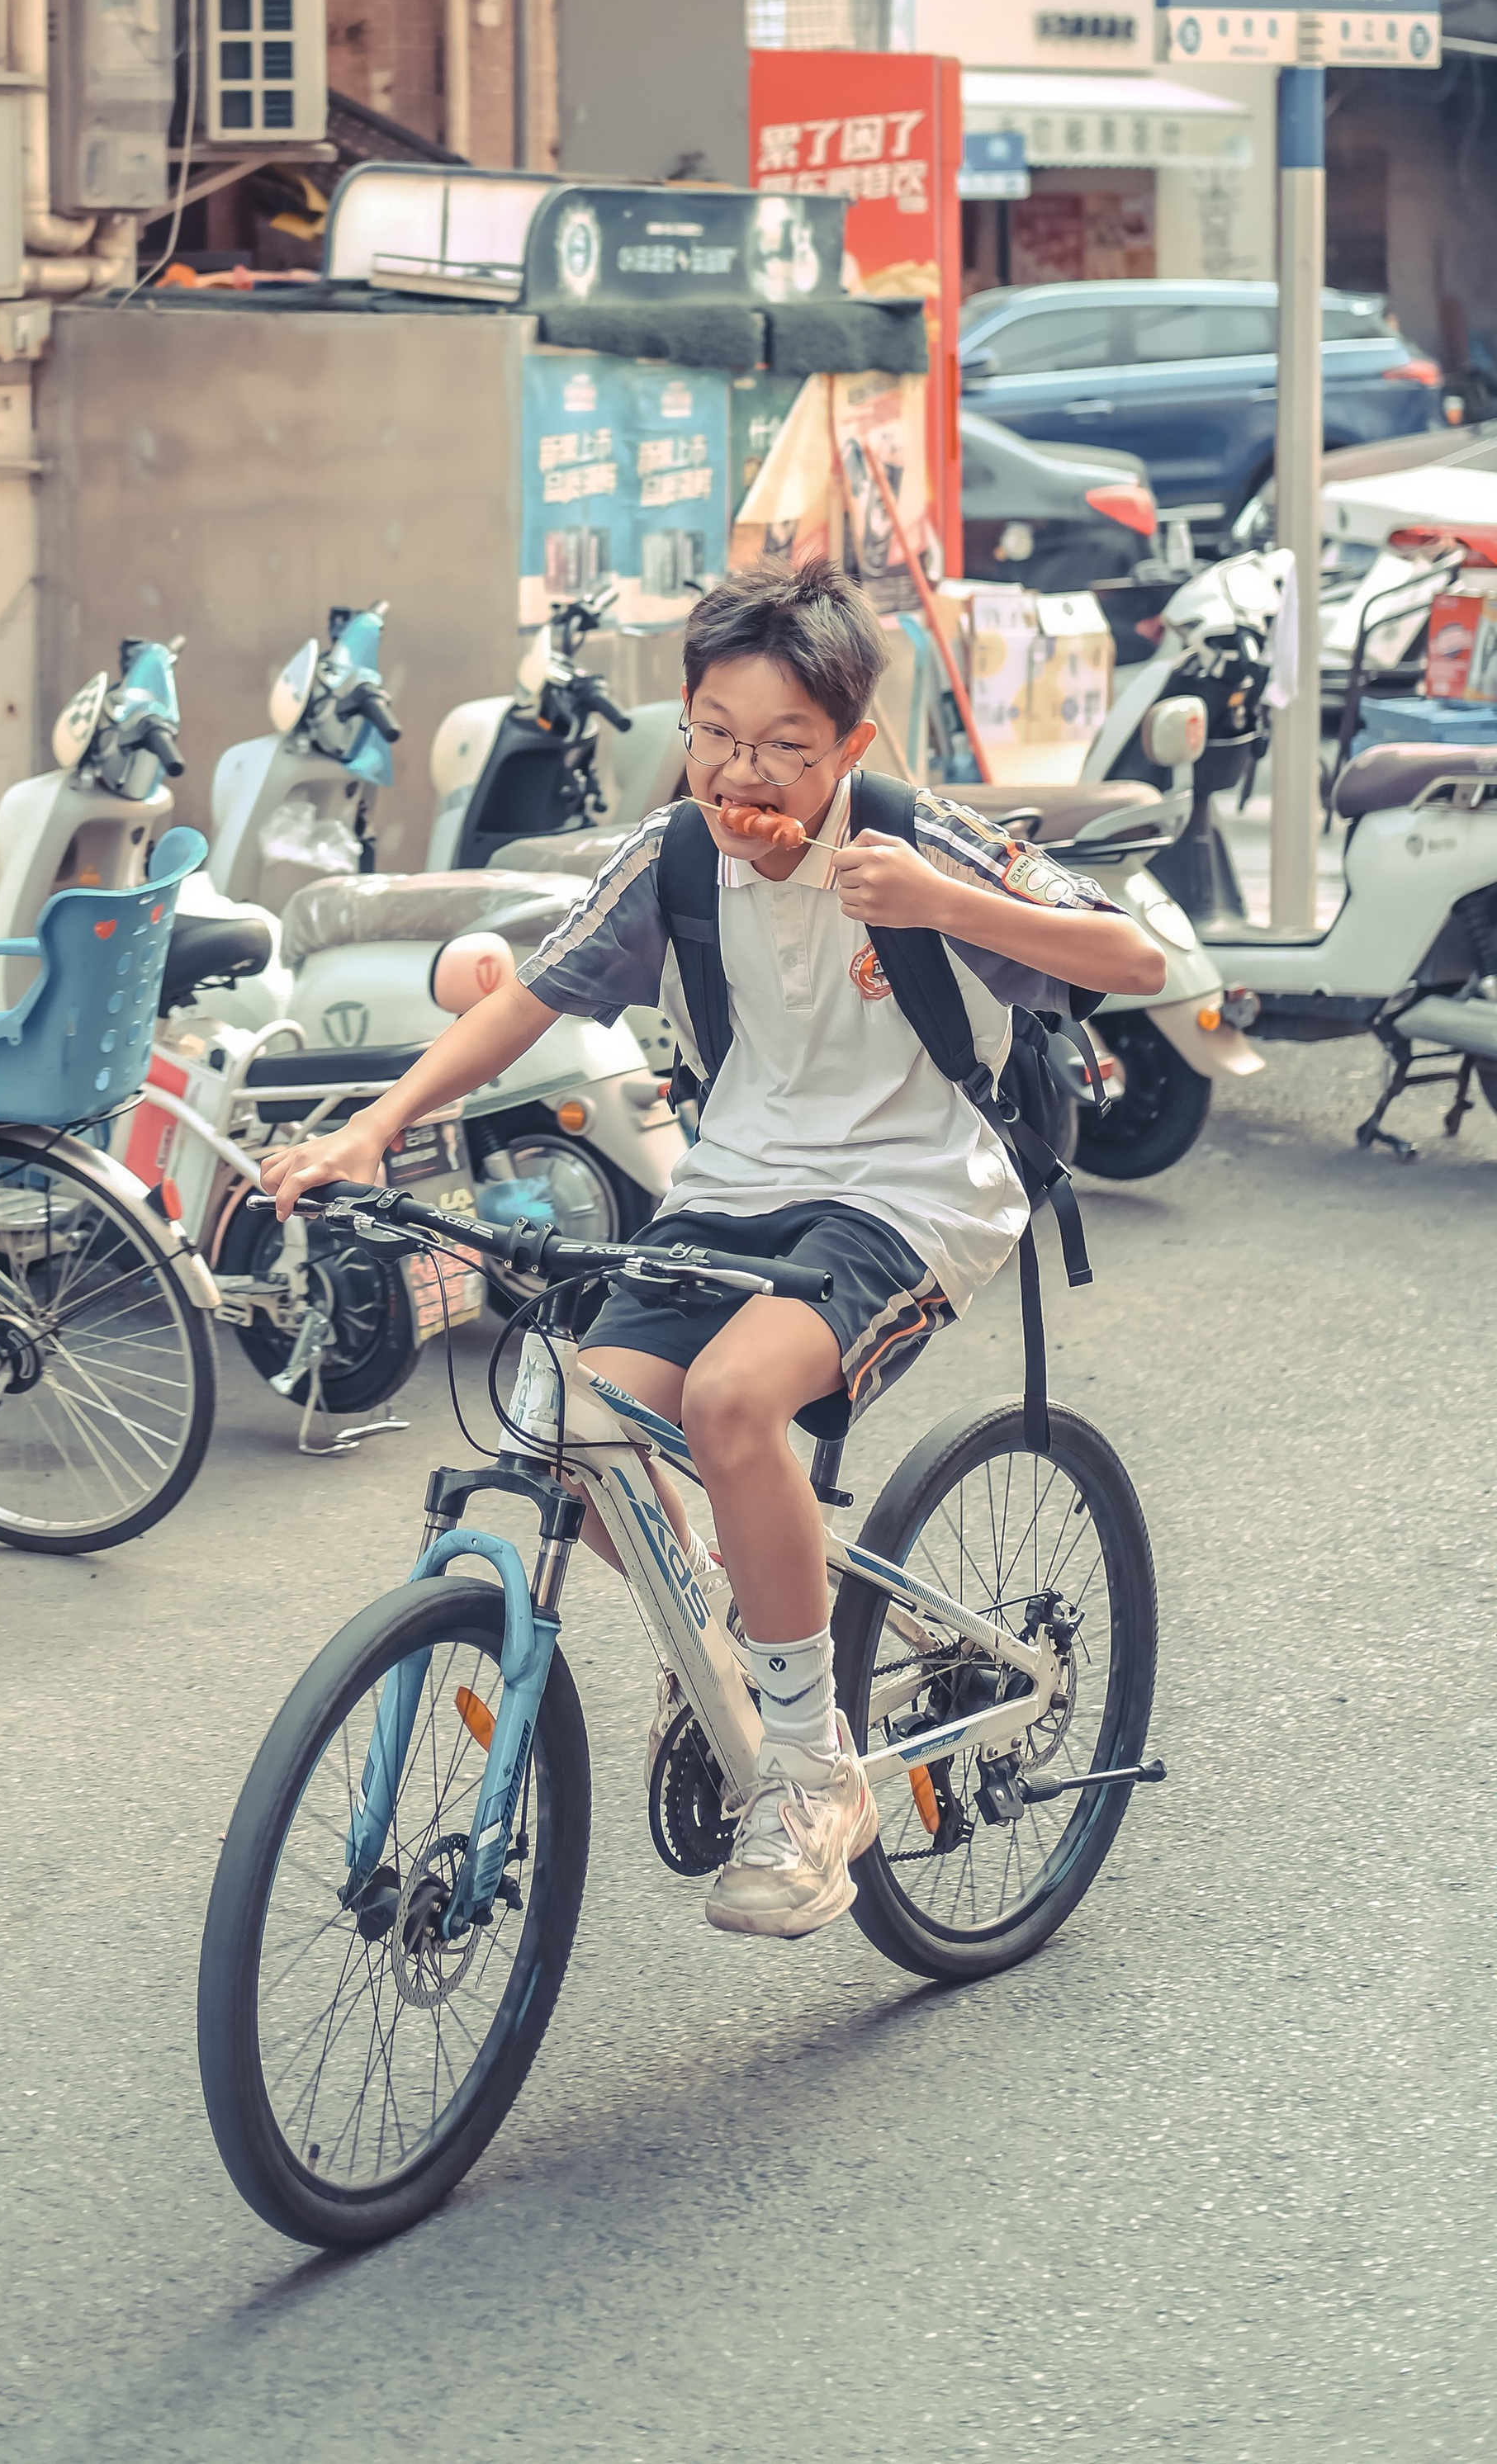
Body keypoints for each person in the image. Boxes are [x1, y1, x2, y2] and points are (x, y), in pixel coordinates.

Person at [260, 560, 1165, 1943]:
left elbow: (1143, 962)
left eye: (787, 750)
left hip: (914, 1189)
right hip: (735, 1185)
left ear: (851, 746)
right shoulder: (676, 854)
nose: (745, 776)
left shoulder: (917, 839)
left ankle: (807, 1775)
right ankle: (740, 1640)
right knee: (571, 1422)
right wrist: (373, 1128)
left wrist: (939, 903)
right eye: (716, 737)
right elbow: (534, 1001)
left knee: (735, 1402)